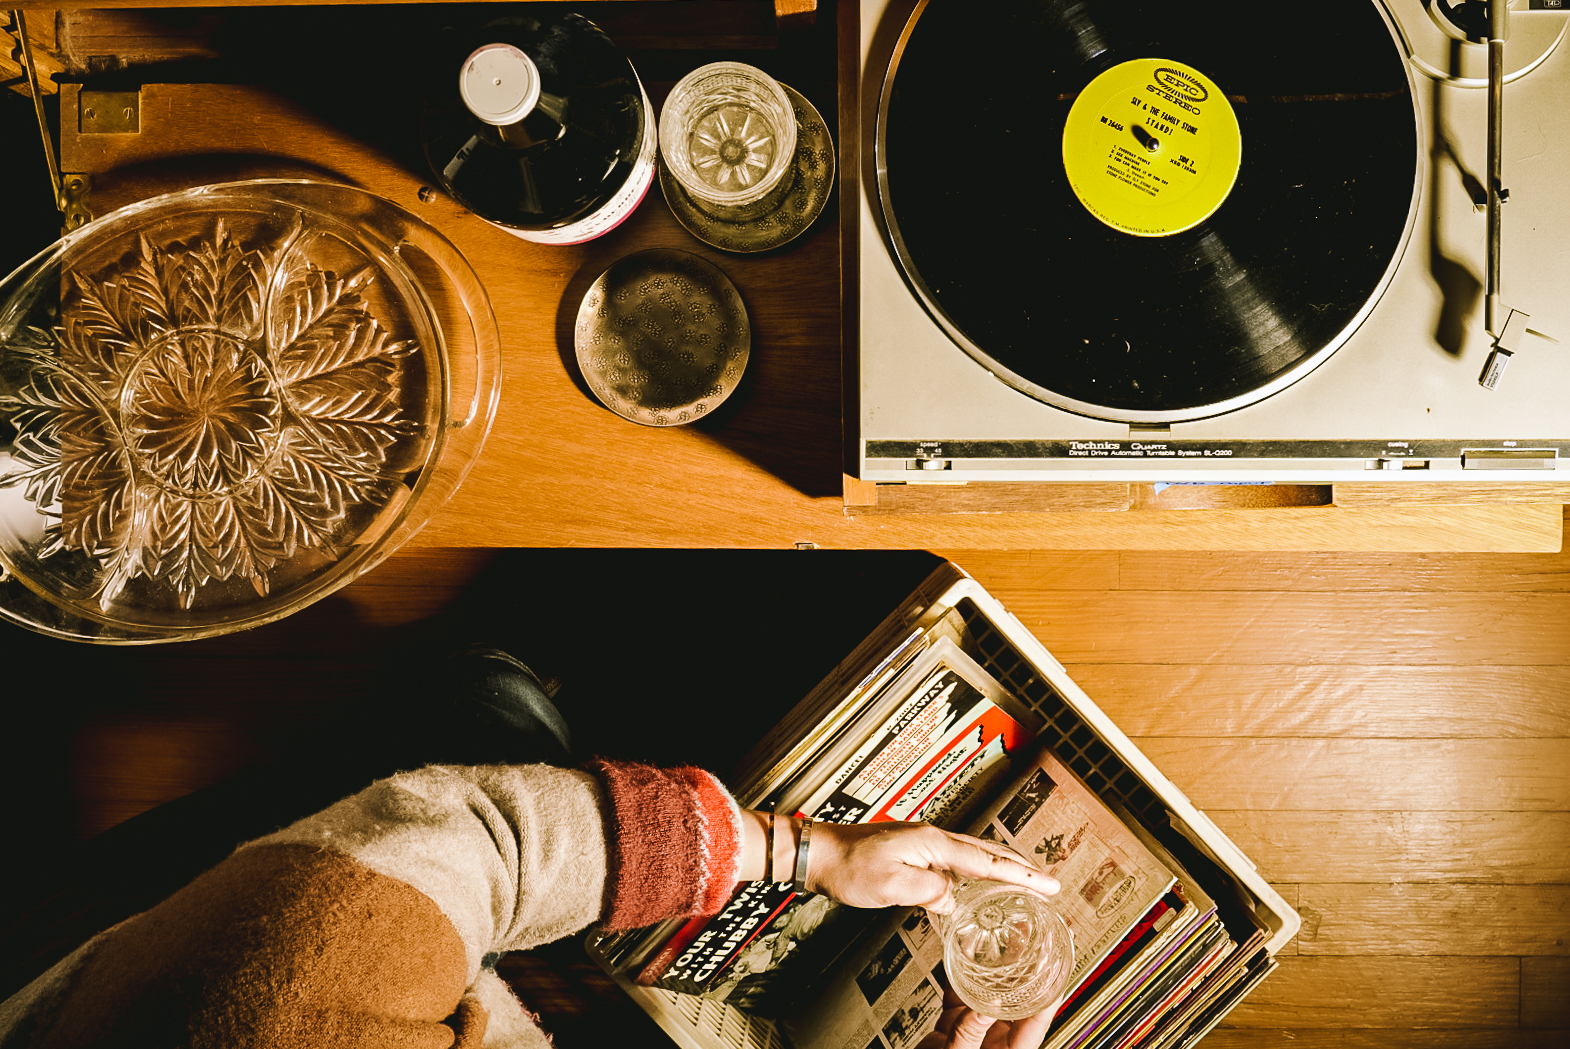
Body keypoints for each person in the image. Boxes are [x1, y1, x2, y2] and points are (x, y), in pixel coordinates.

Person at [0, 648, 1061, 1049]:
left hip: (222, 930)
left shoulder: (277, 1002)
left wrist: (803, 852)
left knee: (493, 713)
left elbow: (477, 838)